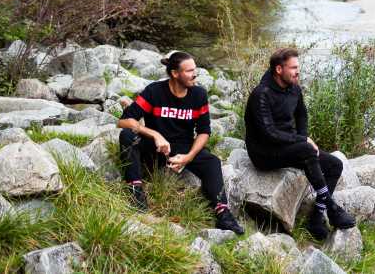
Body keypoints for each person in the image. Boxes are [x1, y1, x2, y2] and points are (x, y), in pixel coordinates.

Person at [117, 51, 244, 235]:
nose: (195, 74)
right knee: (127, 136)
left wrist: (188, 157)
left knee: (213, 162)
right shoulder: (154, 91)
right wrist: (153, 134)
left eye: (195, 70)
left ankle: (223, 213)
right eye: (189, 71)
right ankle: (135, 191)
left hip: (183, 149)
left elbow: (204, 132)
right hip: (156, 147)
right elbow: (124, 122)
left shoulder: (198, 94)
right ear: (175, 73)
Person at [244, 47, 355, 240]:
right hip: (263, 153)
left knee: (334, 165)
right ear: (279, 69)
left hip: (287, 147)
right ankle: (332, 208)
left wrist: (304, 141)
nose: (298, 71)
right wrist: (302, 141)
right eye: (293, 67)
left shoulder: (294, 88)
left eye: (298, 67)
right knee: (306, 149)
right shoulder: (261, 94)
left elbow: (301, 114)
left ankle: (317, 216)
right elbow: (268, 133)